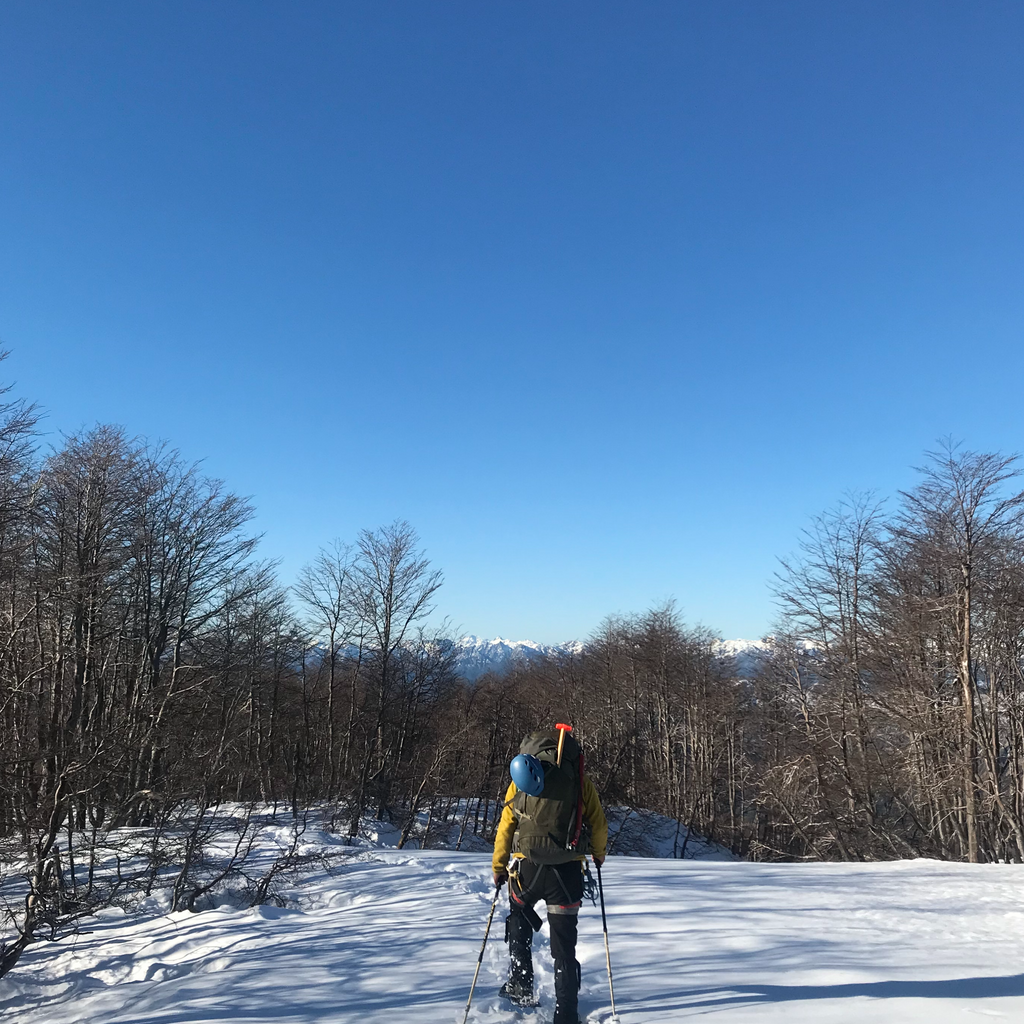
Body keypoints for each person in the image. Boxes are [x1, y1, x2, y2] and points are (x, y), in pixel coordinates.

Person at [492, 727, 608, 1024]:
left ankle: (521, 984)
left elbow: (506, 827)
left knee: (519, 915)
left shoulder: (521, 781)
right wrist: (598, 854)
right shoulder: (580, 782)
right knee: (564, 947)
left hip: (527, 869)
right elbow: (598, 823)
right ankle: (566, 1012)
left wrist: (498, 867)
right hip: (568, 874)